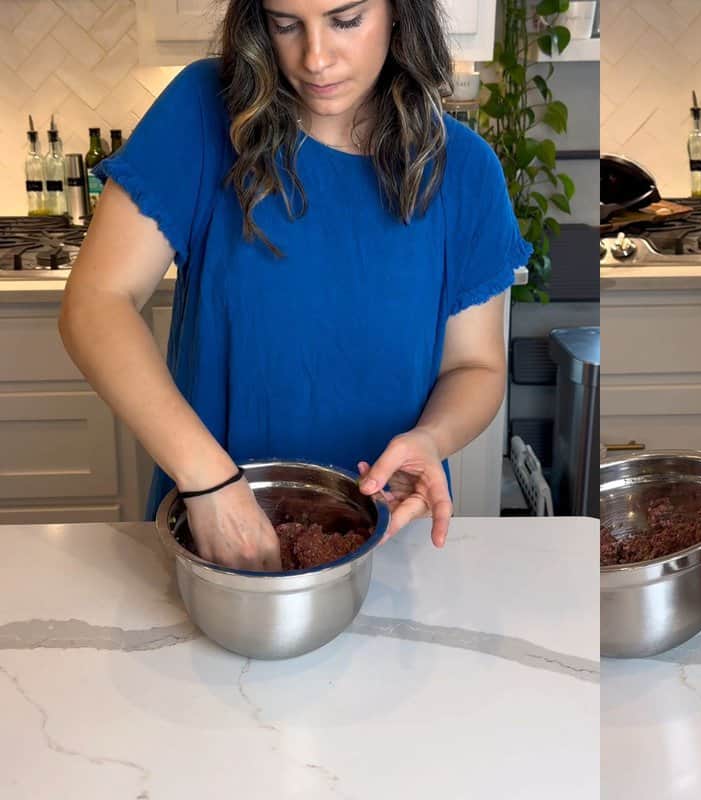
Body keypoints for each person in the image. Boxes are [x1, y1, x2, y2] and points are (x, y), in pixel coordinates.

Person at [58, 0, 531, 572]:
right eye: (286, 24)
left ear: (400, 13)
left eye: (346, 20)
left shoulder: (466, 170)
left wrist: (432, 438)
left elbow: (474, 368)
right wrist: (208, 483)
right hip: (214, 527)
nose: (315, 58)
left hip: (384, 538)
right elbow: (96, 303)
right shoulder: (205, 112)